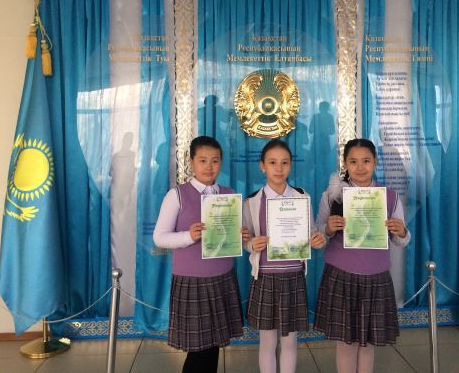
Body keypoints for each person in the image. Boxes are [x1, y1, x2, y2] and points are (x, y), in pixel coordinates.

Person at [314, 138, 410, 373]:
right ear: (345, 164)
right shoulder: (332, 196)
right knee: (346, 344)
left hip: (376, 277)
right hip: (341, 276)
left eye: (366, 161)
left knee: (367, 344)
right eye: (353, 161)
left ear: (375, 162)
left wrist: (401, 231)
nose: (360, 167)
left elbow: (402, 240)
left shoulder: (390, 197)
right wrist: (328, 228)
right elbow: (317, 236)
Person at [153, 136, 248, 373]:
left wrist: (241, 235)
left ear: (221, 162)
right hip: (192, 281)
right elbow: (160, 237)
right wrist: (189, 236)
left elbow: (230, 235)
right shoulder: (177, 194)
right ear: (191, 162)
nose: (209, 166)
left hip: (222, 278)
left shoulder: (228, 194)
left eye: (215, 161)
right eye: (203, 160)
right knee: (198, 350)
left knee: (213, 346)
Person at [243, 139, 326, 373]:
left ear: (291, 165)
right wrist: (251, 244)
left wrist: (318, 240)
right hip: (265, 278)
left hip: (293, 277)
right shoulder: (251, 202)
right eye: (272, 163)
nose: (278, 168)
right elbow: (246, 240)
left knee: (290, 341)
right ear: (262, 166)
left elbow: (313, 233)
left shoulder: (302, 196)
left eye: (284, 163)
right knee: (268, 342)